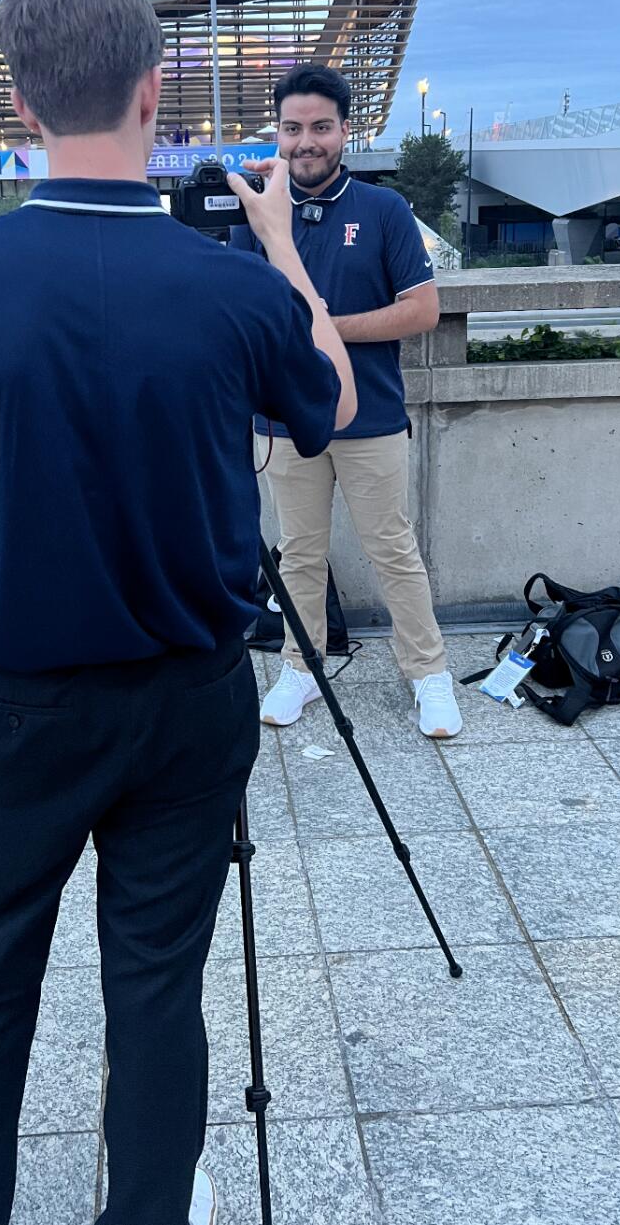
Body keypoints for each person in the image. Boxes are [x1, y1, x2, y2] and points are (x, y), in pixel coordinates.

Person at [0, 0, 355, 1225]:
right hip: (187, 702)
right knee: (156, 986)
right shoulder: (229, 286)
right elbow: (331, 402)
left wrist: (14, 518)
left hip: (9, 707)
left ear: (20, 103)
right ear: (155, 83)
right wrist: (284, 250)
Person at [231, 62, 463, 739]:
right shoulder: (256, 213)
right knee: (298, 552)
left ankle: (428, 673)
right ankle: (301, 666)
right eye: (293, 127)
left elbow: (422, 310)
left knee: (393, 547)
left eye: (320, 127)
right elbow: (247, 311)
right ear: (278, 133)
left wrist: (327, 326)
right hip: (283, 419)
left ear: (345, 131)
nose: (306, 141)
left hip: (372, 417)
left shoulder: (384, 210)